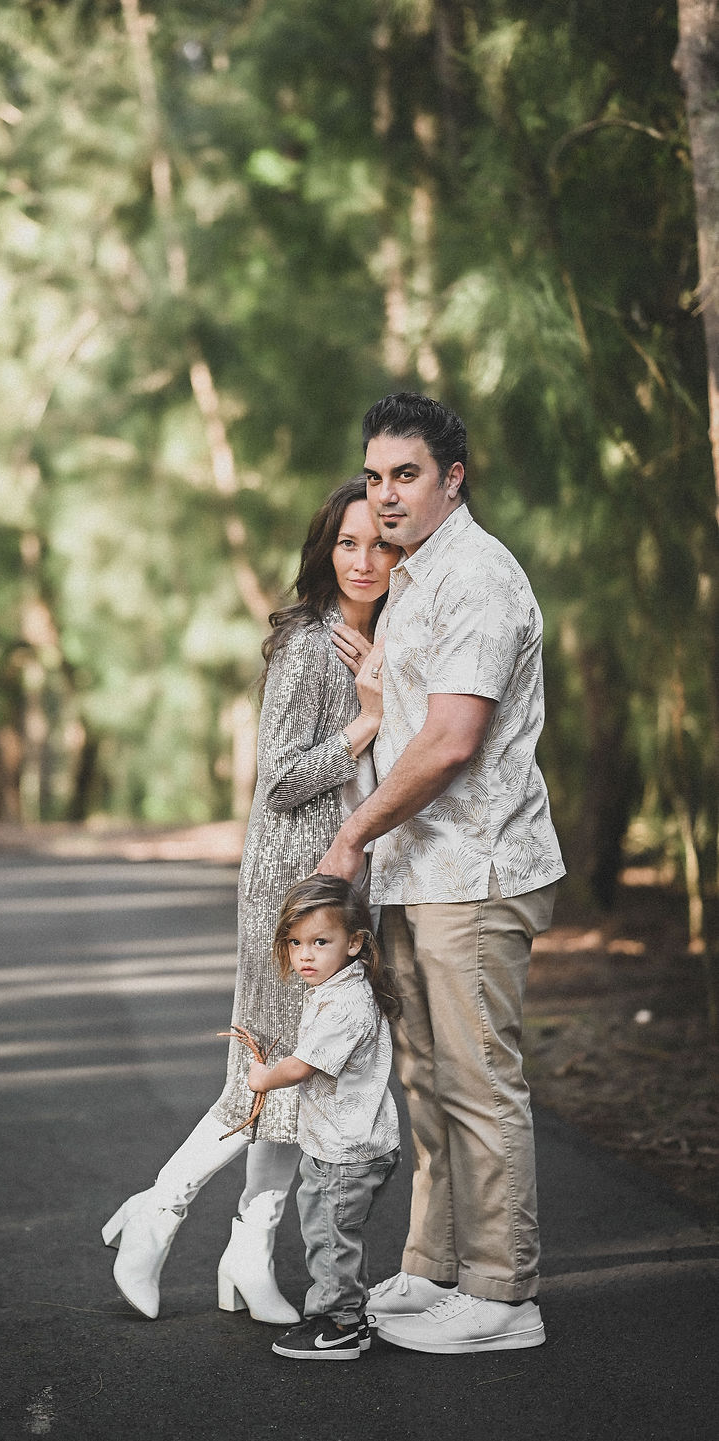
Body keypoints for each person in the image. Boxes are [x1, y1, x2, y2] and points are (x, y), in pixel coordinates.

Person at [102, 476, 397, 1321]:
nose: (363, 558)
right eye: (346, 542)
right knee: (263, 1073)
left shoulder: (387, 635)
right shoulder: (311, 642)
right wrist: (364, 722)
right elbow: (279, 780)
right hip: (289, 886)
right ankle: (158, 1213)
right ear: (324, 550)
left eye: (378, 541)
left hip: (347, 885)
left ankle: (250, 1252)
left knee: (305, 1080)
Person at [318, 392, 565, 1354]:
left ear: (452, 479)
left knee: (478, 1078)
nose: (383, 496)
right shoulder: (415, 577)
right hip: (419, 867)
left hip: (480, 865)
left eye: (406, 475)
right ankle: (435, 1265)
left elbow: (454, 740)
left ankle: (505, 1296)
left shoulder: (481, 577)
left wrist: (352, 837)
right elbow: (411, 711)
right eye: (374, 476)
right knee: (424, 1076)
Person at [245, 875, 401, 1360]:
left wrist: (262, 1078)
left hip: (346, 1151)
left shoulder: (347, 1005)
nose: (304, 955)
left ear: (354, 943)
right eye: (295, 943)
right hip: (338, 1143)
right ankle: (346, 1311)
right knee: (333, 1231)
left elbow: (303, 1066)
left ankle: (339, 1324)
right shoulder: (338, 988)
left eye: (319, 942)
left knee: (330, 1238)